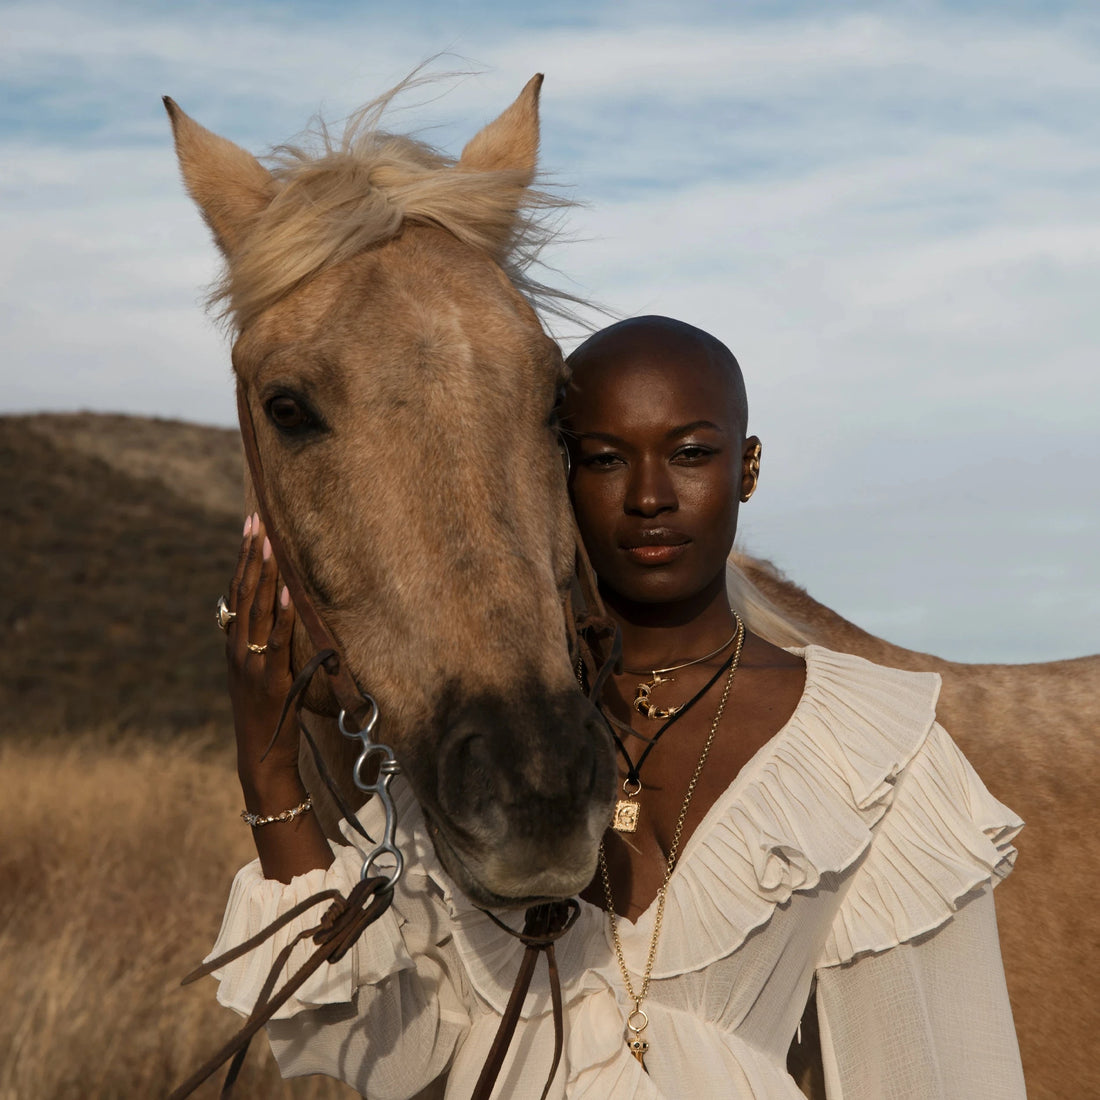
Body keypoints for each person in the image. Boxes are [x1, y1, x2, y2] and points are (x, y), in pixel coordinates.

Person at [212, 315, 1026, 1098]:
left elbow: (932, 1073)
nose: (648, 497)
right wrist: (268, 762)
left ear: (746, 468)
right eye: (603, 460)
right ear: (552, 477)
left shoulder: (869, 747)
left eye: (692, 454)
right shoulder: (498, 745)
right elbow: (382, 1042)